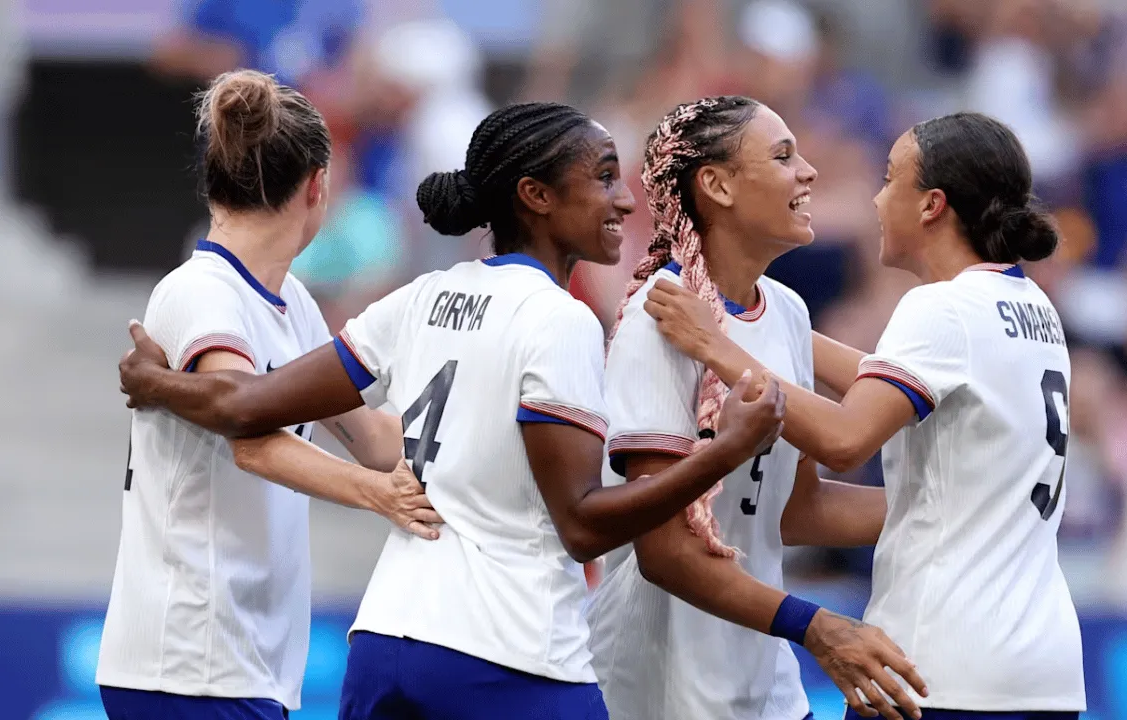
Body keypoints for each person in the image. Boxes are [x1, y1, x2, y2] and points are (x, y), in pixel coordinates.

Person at [116, 100, 788, 720]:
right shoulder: (560, 320)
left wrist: (157, 383)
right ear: (536, 196)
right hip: (510, 653)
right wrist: (724, 451)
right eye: (606, 177)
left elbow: (247, 404)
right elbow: (583, 526)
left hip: (385, 641)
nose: (625, 198)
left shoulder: (423, 296)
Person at [645, 111, 1087, 719]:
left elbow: (846, 439)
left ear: (931, 205)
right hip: (1045, 669)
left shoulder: (941, 308)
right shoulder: (1029, 304)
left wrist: (713, 345)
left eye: (888, 178)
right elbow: (888, 383)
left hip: (940, 668)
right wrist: (757, 322)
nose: (876, 199)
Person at [97, 70, 443, 720]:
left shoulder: (292, 301)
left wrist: (480, 420)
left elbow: (371, 436)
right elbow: (251, 441)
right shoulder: (204, 292)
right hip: (188, 657)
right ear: (318, 186)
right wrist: (379, 496)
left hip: (242, 657)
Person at [586, 95, 928, 720]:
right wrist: (815, 626)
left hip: (767, 686)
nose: (809, 172)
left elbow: (796, 510)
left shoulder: (788, 311)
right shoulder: (659, 318)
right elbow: (663, 554)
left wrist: (944, 511)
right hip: (664, 690)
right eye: (782, 155)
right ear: (716, 185)